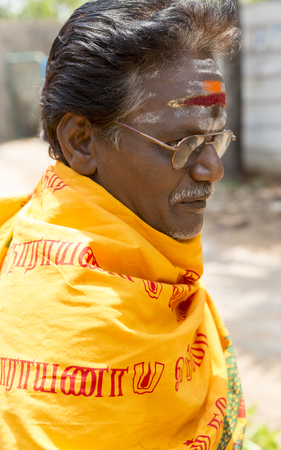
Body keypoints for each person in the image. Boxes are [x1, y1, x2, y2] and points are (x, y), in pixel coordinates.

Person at [0, 0, 246, 449]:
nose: (212, 168)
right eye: (185, 142)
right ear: (80, 142)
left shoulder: (153, 257)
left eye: (216, 138)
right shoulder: (64, 327)